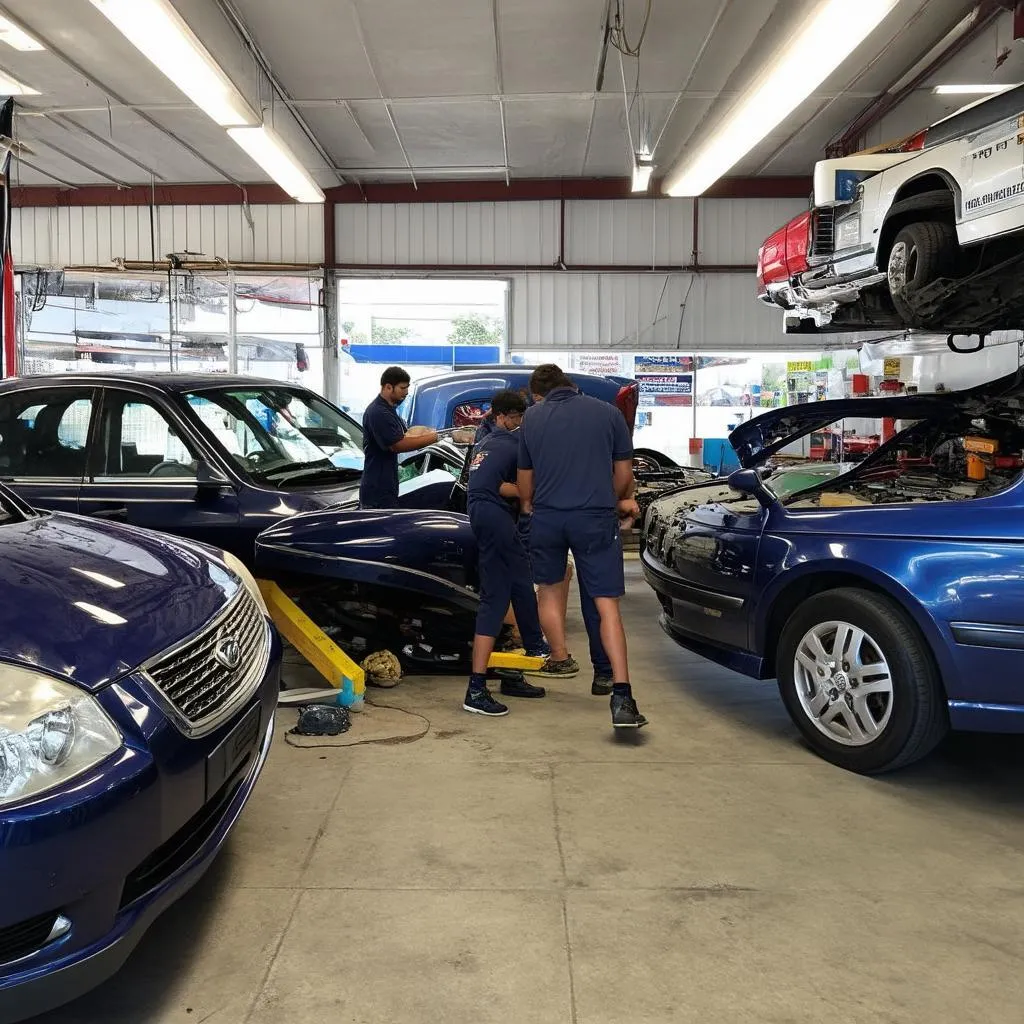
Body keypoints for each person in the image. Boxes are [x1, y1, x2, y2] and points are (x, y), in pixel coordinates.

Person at [517, 364, 647, 728]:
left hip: (547, 518)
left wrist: (530, 508)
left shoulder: (531, 418)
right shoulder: (608, 414)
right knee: (605, 605)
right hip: (594, 518)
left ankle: (559, 656)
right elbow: (624, 476)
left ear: (538, 391)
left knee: (550, 592)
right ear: (570, 384)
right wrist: (618, 503)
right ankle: (620, 693)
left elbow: (524, 482)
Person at [463, 390, 555, 717]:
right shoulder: (514, 445)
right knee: (514, 584)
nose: (519, 423)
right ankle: (534, 646)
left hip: (480, 513)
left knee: (505, 588)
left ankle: (516, 664)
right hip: (493, 516)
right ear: (505, 417)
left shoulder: (486, 443)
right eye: (517, 417)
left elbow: (494, 484)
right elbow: (526, 489)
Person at [359, 366, 438, 509]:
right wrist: (435, 438)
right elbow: (397, 444)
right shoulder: (378, 412)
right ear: (388, 387)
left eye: (407, 388)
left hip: (387, 485)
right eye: (402, 388)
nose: (406, 392)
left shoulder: (389, 410)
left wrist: (425, 432)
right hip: (377, 490)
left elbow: (404, 435)